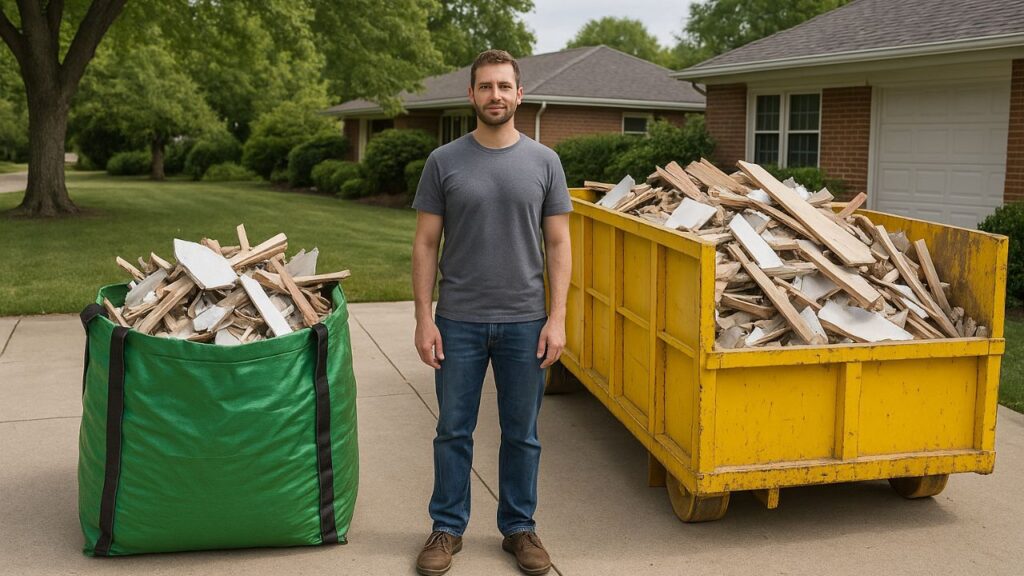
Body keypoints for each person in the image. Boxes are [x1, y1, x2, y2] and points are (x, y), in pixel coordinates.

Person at [410, 49, 572, 576]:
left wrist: (558, 317)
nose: (495, 95)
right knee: (453, 430)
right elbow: (426, 243)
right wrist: (424, 317)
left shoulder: (545, 162)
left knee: (522, 433)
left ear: (519, 94)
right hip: (458, 320)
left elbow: (559, 244)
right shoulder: (444, 161)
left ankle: (519, 528)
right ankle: (446, 529)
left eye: (504, 86)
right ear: (472, 95)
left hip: (526, 321)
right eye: (486, 87)